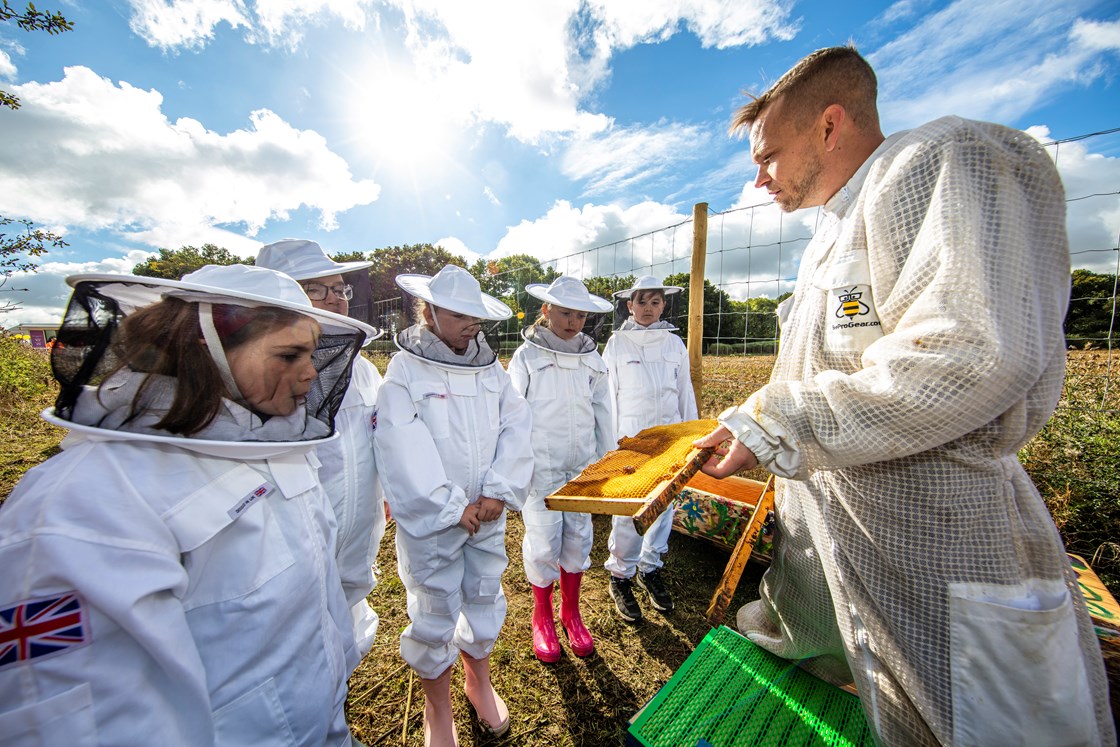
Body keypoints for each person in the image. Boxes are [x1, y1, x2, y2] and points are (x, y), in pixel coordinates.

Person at [694, 46, 1115, 745]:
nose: (759, 175)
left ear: (829, 126)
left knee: (988, 728)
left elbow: (972, 351)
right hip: (847, 558)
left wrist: (779, 418)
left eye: (767, 155)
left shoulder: (943, 162)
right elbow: (816, 369)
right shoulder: (830, 232)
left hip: (943, 550)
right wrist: (756, 422)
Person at [0, 264, 376, 746]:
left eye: (312, 353)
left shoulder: (279, 449)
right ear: (206, 351)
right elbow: (83, 722)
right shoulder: (78, 505)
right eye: (289, 354)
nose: (309, 372)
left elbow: (313, 614)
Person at [373, 264, 532, 746]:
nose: (471, 325)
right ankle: (436, 708)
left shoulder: (491, 369)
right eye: (460, 314)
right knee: (433, 605)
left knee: (485, 591)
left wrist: (497, 491)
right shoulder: (405, 368)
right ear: (430, 311)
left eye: (476, 317)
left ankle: (478, 682)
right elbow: (400, 439)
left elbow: (516, 425)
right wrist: (447, 507)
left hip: (485, 515)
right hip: (435, 523)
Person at [256, 238, 386, 658]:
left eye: (340, 289)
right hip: (292, 536)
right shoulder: (257, 374)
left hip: (357, 523)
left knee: (348, 605)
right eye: (317, 289)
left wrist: (382, 494)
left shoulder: (364, 370)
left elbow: (378, 437)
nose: (337, 299)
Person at [507, 275, 614, 662]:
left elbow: (603, 410)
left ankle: (571, 612)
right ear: (546, 310)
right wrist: (514, 466)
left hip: (583, 468)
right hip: (542, 468)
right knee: (543, 541)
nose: (573, 322)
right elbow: (512, 413)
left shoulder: (592, 358)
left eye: (580, 315)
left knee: (578, 538)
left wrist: (607, 460)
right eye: (565, 312)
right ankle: (542, 617)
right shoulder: (527, 356)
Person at [602, 275, 698, 622]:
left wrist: (692, 436)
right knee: (629, 506)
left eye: (655, 302)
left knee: (664, 503)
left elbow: (684, 390)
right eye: (641, 302)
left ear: (663, 305)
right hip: (632, 438)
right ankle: (621, 573)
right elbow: (608, 395)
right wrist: (609, 442)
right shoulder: (617, 344)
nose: (647, 308)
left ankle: (650, 566)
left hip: (670, 437)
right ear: (630, 305)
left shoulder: (674, 344)